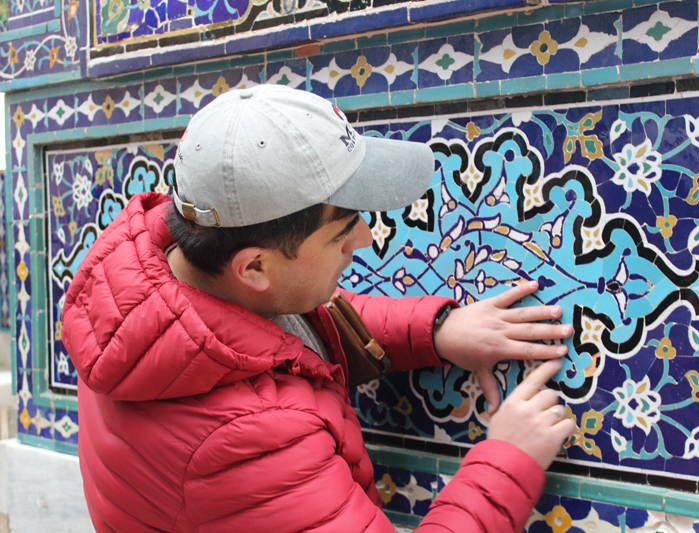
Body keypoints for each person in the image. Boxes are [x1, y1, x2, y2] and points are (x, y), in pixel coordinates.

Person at [62, 84, 575, 533]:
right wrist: (508, 460)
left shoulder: (145, 296)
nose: (365, 238)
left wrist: (434, 330)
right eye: (341, 230)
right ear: (254, 267)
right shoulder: (247, 442)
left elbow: (284, 328)